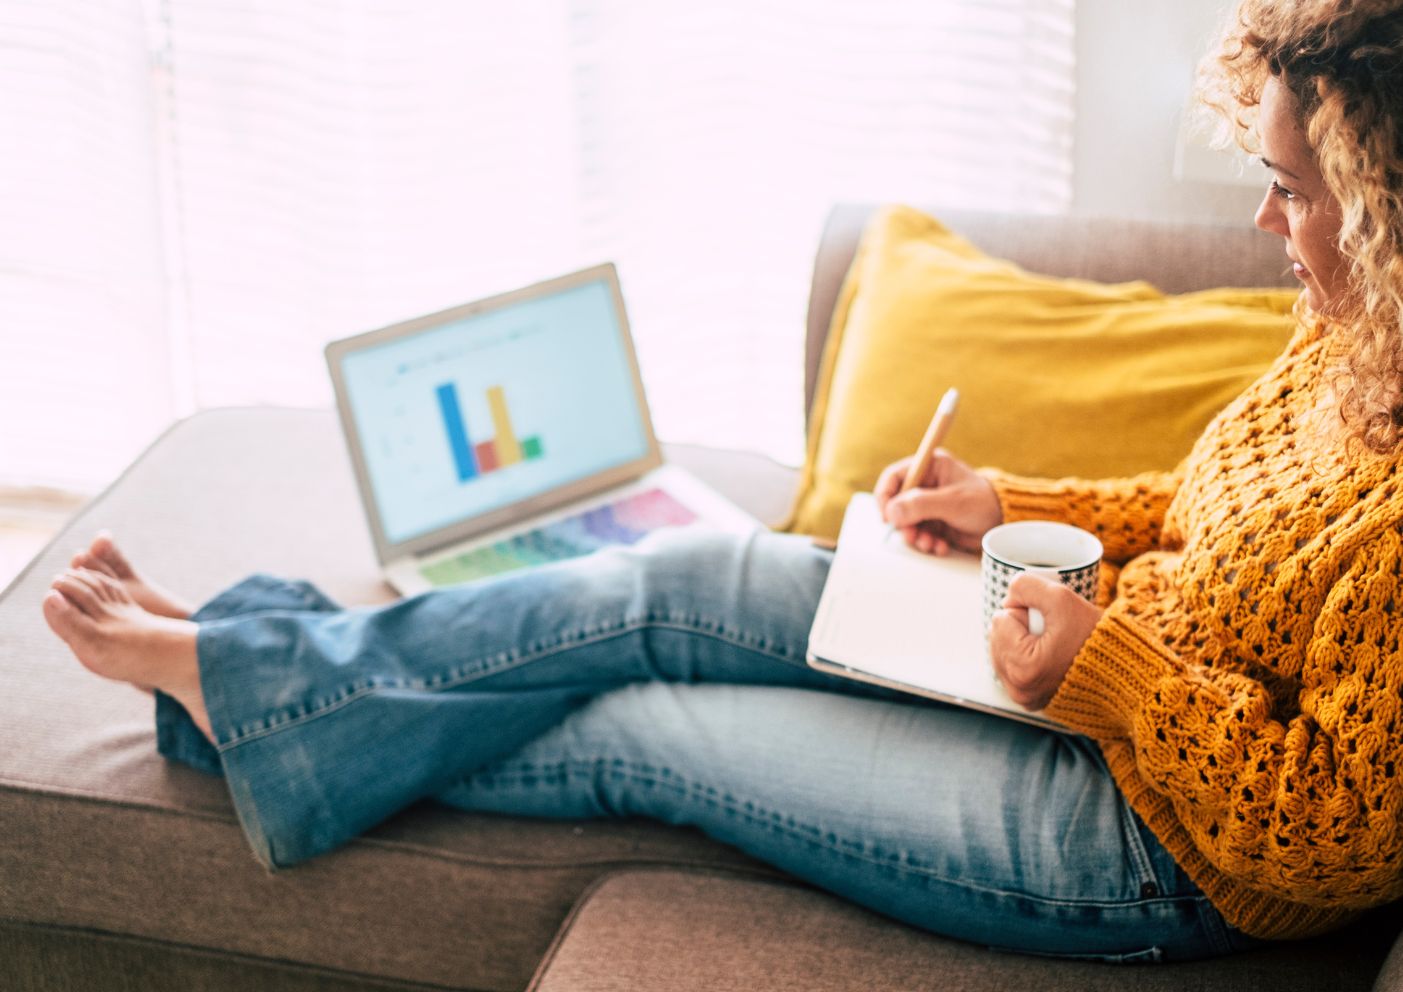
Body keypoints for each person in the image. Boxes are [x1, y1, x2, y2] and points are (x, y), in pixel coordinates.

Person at [40, 0, 1403, 963]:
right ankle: (249, 669)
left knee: (652, 728)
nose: (1261, 225)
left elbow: (1330, 830)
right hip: (1087, 673)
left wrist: (1107, 669)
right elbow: (1200, 509)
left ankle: (233, 683)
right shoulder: (1347, 329)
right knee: (685, 575)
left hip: (1150, 850)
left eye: (1293, 191)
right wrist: (1013, 507)